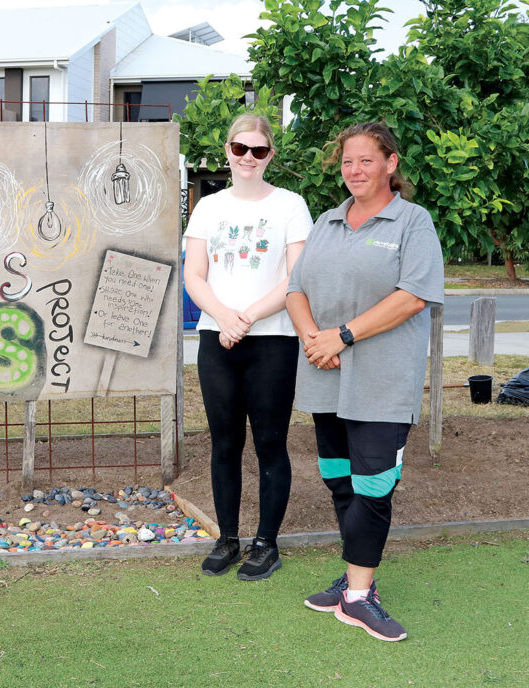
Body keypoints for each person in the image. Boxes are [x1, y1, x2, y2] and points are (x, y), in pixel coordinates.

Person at [285, 122, 444, 641]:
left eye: (366, 160)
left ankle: (358, 595)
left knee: (374, 486)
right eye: (348, 161)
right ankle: (356, 578)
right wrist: (315, 339)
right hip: (324, 375)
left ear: (391, 164)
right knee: (340, 480)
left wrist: (343, 337)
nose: (355, 170)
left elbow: (413, 296)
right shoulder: (328, 221)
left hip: (381, 381)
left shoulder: (411, 222)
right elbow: (295, 290)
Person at [183, 113, 312, 580]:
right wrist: (222, 316)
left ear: (270, 154)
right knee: (224, 443)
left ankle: (266, 543)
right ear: (228, 152)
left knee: (270, 442)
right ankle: (228, 537)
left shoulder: (291, 205)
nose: (249, 158)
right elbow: (194, 275)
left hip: (273, 341)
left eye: (258, 150)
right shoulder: (208, 207)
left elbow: (296, 278)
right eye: (241, 149)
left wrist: (248, 317)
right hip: (217, 340)